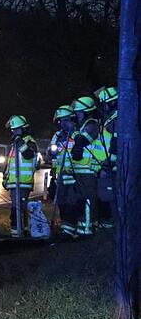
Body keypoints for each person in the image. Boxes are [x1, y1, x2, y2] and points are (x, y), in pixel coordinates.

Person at [70, 95, 102, 236]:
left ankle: (87, 229)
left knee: (88, 199)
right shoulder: (83, 125)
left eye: (79, 112)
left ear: (88, 111)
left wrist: (75, 131)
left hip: (89, 170)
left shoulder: (92, 124)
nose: (77, 115)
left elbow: (83, 140)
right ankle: (82, 226)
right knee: (80, 200)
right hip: (79, 169)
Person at [2, 115, 38, 237]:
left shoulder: (29, 142)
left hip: (24, 182)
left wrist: (20, 142)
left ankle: (21, 232)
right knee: (15, 210)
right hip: (14, 183)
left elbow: (28, 155)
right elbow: (10, 164)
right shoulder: (15, 145)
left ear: (24, 129)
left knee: (20, 209)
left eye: (17, 130)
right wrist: (5, 179)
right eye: (13, 130)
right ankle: (16, 233)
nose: (14, 132)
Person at [51, 105, 79, 237]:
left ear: (71, 119)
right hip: (61, 175)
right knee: (61, 202)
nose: (62, 124)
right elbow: (50, 154)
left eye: (65, 120)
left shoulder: (78, 134)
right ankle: (65, 227)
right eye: (60, 121)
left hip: (74, 175)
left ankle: (71, 228)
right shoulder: (57, 136)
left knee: (72, 202)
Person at [93, 86, 118, 228]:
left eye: (105, 104)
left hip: (111, 169)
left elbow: (116, 146)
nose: (103, 107)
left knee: (109, 201)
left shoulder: (116, 120)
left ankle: (109, 231)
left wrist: (107, 166)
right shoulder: (111, 120)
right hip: (106, 167)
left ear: (112, 103)